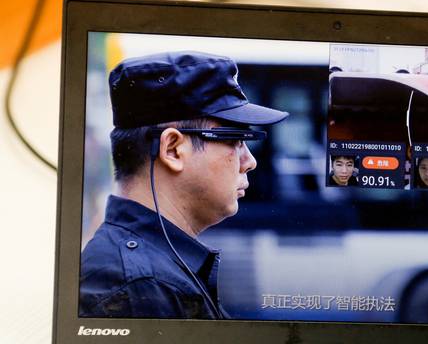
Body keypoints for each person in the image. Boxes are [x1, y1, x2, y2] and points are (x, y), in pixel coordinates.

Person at [79, 51, 289, 319]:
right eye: (236, 139)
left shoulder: (150, 276)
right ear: (174, 149)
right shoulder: (139, 290)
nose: (249, 161)